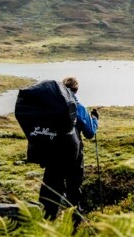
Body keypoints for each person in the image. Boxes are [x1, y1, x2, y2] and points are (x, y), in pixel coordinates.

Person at [38, 76, 99, 224]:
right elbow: (90, 133)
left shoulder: (51, 106)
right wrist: (95, 119)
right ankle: (75, 225)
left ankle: (46, 224)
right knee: (73, 191)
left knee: (51, 191)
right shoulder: (78, 107)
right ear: (76, 89)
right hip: (73, 157)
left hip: (53, 157)